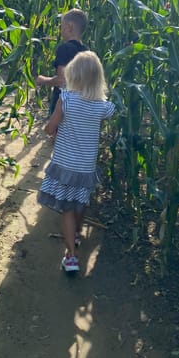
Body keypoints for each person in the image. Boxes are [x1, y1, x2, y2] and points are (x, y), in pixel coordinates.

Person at [37, 51, 115, 273]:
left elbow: (51, 128)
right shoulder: (102, 106)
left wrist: (50, 130)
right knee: (80, 203)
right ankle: (78, 235)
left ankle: (71, 257)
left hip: (65, 164)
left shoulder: (67, 99)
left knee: (67, 210)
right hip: (85, 166)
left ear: (74, 75)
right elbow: (111, 109)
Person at [34, 8, 88, 113]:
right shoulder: (87, 52)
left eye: (61, 26)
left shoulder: (65, 48)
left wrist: (43, 80)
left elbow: (62, 80)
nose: (60, 30)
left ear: (69, 27)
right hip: (80, 107)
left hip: (63, 107)